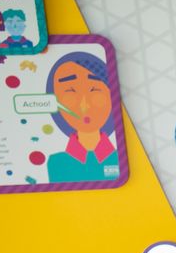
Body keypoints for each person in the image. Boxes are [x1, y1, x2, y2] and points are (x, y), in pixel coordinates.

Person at [44, 52, 122, 183]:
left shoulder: (120, 158)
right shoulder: (57, 163)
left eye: (94, 91)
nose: (84, 105)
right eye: (70, 92)